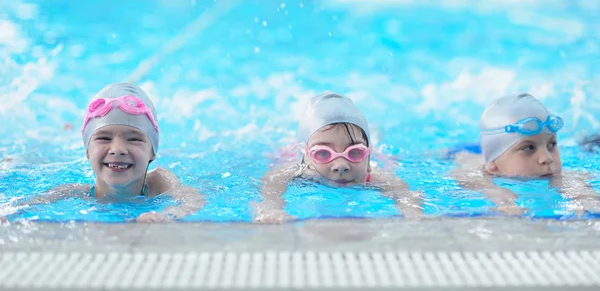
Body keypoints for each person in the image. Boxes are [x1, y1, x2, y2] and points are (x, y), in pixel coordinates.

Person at [6, 83, 205, 223]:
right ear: (87, 150)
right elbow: (29, 203)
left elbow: (192, 199)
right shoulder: (73, 192)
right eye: (103, 138)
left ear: (152, 151)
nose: (117, 149)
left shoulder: (160, 182)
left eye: (134, 138)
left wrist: (169, 215)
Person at [254, 91, 423, 223]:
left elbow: (403, 194)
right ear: (305, 156)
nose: (341, 165)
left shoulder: (376, 177)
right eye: (323, 153)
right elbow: (271, 185)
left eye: (355, 152)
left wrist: (411, 210)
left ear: (368, 156)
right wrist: (270, 210)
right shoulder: (297, 172)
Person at [452, 93, 600, 215]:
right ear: (493, 165)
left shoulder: (561, 175)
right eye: (529, 148)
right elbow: (466, 179)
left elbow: (578, 187)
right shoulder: (477, 173)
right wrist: (503, 202)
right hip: (462, 152)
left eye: (552, 145)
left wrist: (586, 201)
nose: (547, 158)